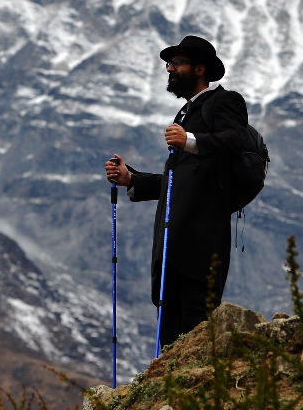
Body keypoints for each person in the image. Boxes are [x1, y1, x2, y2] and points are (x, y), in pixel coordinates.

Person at [104, 35, 248, 348]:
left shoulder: (224, 102)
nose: (169, 69)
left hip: (201, 242)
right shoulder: (183, 117)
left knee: (196, 329)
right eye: (169, 64)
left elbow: (235, 141)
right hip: (174, 246)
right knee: (170, 333)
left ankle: (198, 393)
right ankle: (169, 394)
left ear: (199, 69)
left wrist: (190, 141)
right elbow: (181, 181)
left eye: (176, 63)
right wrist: (133, 180)